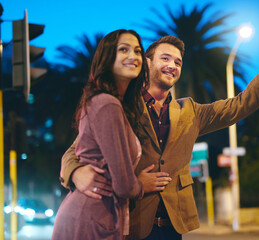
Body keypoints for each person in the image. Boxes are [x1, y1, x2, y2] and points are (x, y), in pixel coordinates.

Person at [60, 19, 259, 240]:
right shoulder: (122, 106)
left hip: (172, 227)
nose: (172, 65)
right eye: (165, 58)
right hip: (131, 225)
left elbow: (240, 105)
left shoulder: (191, 111)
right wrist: (75, 173)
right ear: (146, 62)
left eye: (177, 62)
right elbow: (77, 149)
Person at [52, 29, 171, 240]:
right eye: (123, 50)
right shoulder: (107, 104)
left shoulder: (117, 104)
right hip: (91, 217)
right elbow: (123, 185)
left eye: (136, 51)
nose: (133, 56)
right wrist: (140, 184)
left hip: (104, 217)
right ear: (107, 59)